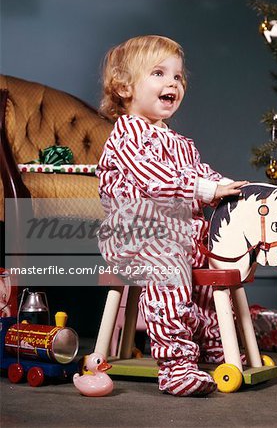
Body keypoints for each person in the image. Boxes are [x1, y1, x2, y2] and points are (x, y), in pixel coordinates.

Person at [96, 35, 247, 397]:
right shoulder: (128, 135)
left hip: (180, 237)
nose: (172, 83)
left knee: (212, 270)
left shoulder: (179, 142)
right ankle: (176, 365)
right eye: (159, 73)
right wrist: (205, 190)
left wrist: (225, 185)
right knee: (167, 269)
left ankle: (215, 344)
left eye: (178, 77)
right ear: (124, 86)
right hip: (137, 239)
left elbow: (201, 173)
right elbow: (153, 178)